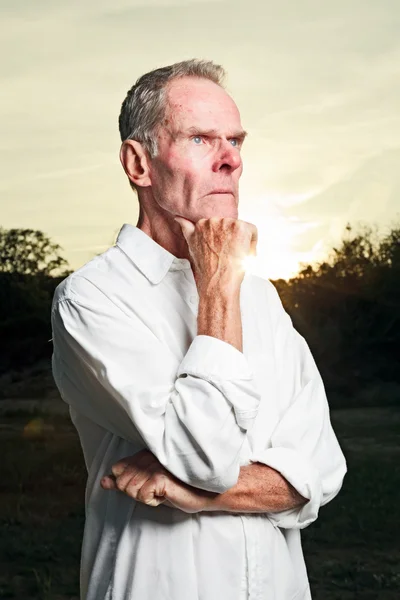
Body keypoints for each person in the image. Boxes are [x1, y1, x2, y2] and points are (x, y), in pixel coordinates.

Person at [51, 58, 347, 600]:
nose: (231, 160)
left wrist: (196, 493)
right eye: (201, 139)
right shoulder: (91, 299)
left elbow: (321, 470)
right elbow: (205, 454)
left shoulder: (261, 297)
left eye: (236, 141)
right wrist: (215, 289)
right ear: (138, 163)